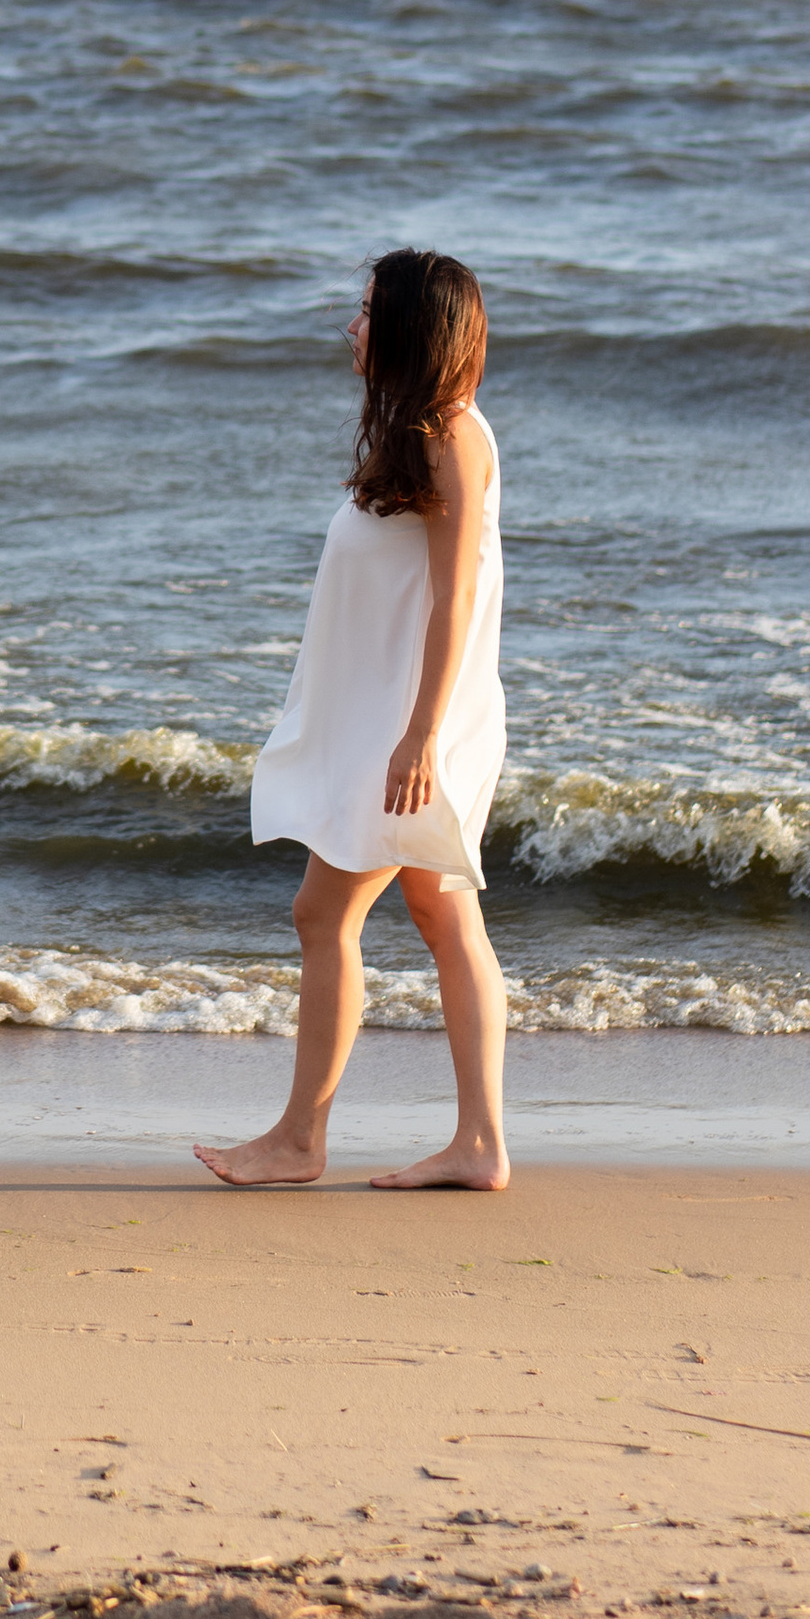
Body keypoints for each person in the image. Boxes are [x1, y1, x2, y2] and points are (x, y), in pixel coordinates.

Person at [196, 247, 510, 1193]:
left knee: (323, 910)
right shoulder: (420, 433)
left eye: (370, 310)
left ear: (415, 329)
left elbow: (455, 600)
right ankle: (480, 1145)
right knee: (439, 911)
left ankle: (301, 1140)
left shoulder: (452, 437)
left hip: (416, 721)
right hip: (398, 715)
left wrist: (418, 733)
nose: (352, 324)